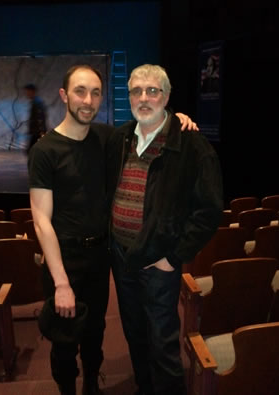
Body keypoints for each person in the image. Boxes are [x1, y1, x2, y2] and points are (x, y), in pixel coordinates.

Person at [27, 64, 198, 395]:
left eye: (95, 92)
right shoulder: (44, 151)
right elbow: (40, 220)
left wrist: (177, 119)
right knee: (64, 341)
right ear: (64, 95)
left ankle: (92, 385)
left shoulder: (107, 138)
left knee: (95, 333)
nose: (88, 100)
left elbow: (149, 120)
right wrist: (61, 282)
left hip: (100, 257)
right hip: (64, 259)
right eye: (80, 91)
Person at [109, 64, 223, 395]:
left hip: (160, 261)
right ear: (129, 96)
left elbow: (209, 211)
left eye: (152, 90)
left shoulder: (192, 146)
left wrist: (173, 257)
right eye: (136, 91)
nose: (143, 98)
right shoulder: (120, 138)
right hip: (122, 257)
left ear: (167, 96)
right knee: (134, 333)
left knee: (162, 342)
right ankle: (145, 388)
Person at [24, 83, 47, 153]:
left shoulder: (37, 102)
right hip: (35, 132)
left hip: (37, 132)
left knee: (32, 151)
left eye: (28, 91)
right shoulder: (35, 102)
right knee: (32, 151)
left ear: (32, 92)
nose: (26, 93)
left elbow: (40, 118)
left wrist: (41, 132)